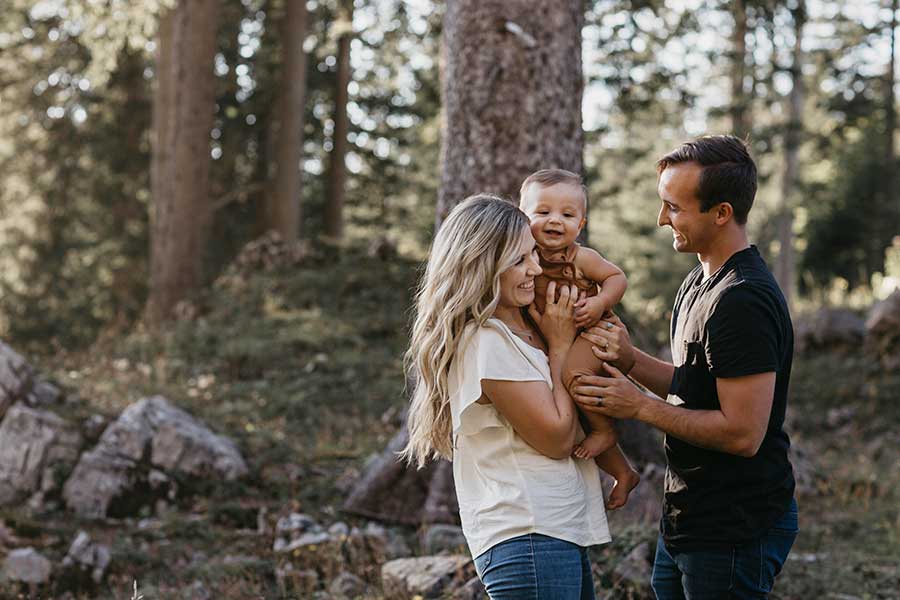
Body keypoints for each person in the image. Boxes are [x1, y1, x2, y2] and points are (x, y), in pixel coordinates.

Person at [571, 135, 798, 599]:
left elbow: (742, 433)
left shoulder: (743, 300)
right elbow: (696, 386)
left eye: (674, 207)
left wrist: (639, 407)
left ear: (722, 213)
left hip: (735, 523)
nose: (661, 219)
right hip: (688, 514)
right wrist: (630, 360)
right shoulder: (699, 280)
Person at [401, 194, 611, 599]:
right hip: (527, 534)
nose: (535, 268)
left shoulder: (519, 330)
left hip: (551, 530)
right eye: (518, 261)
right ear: (482, 265)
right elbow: (556, 439)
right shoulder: (486, 342)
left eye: (532, 254)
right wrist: (561, 346)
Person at [519, 168, 640, 509]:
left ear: (581, 224)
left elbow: (617, 277)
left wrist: (600, 301)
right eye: (542, 212)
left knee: (573, 377)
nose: (555, 221)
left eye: (567, 214)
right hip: (566, 339)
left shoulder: (582, 257)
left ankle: (607, 432)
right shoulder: (524, 258)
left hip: (596, 333)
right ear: (522, 216)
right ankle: (623, 473)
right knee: (579, 418)